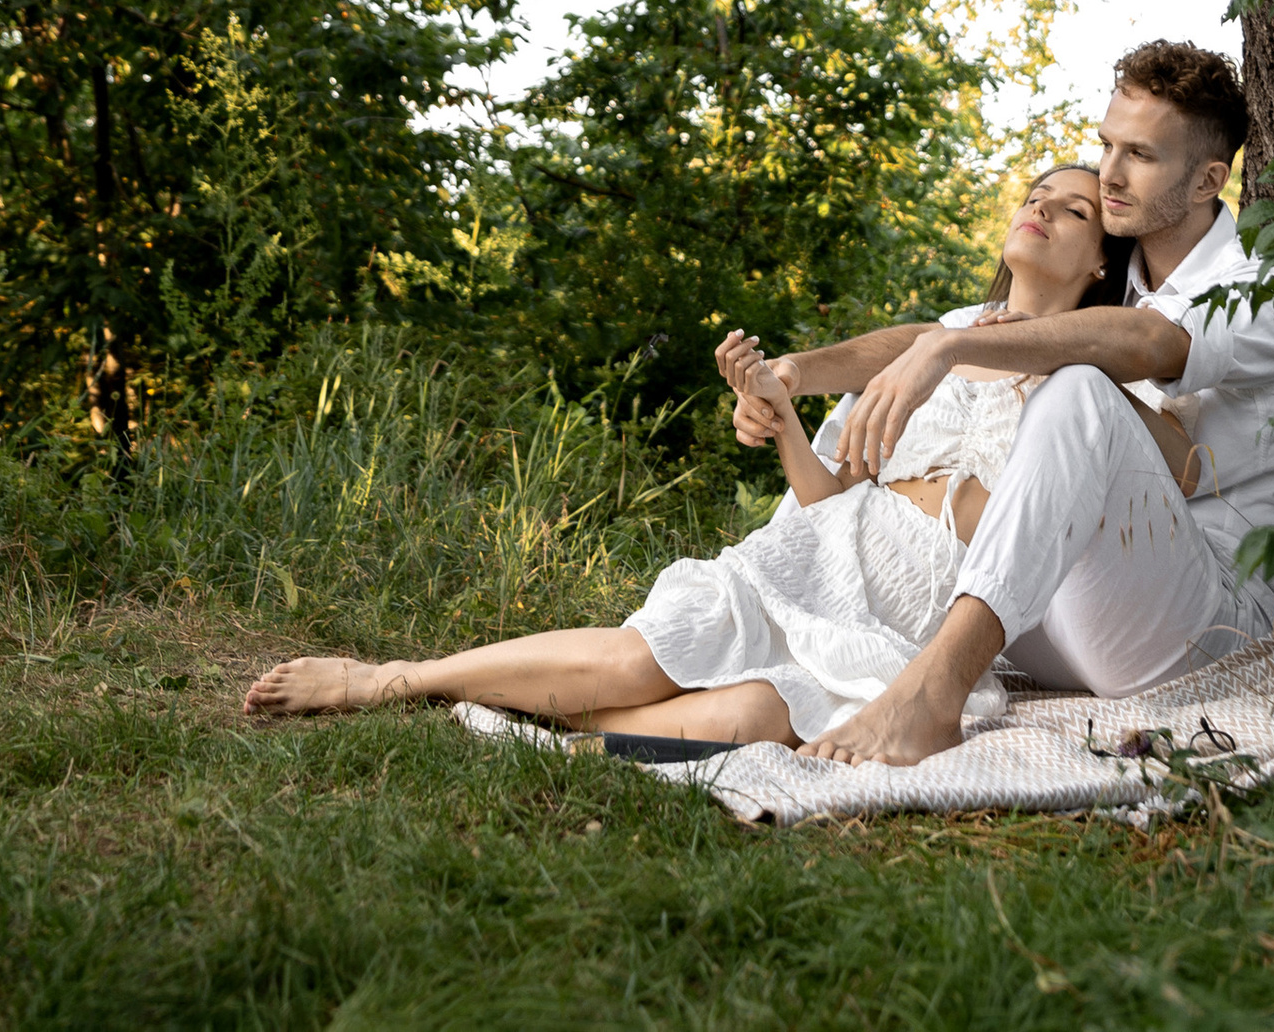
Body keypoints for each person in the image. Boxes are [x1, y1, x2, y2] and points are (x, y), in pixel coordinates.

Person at [239, 163, 1197, 745]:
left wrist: (1086, 361)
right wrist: (784, 418)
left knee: (745, 720)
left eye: (1072, 211)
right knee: (636, 666)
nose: (1040, 208)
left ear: (1101, 265)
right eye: (1036, 195)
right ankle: (394, 679)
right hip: (824, 555)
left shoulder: (1094, 392)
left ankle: (536, 729)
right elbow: (835, 500)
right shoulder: (937, 341)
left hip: (904, 621)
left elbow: (1180, 465)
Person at [731, 39, 1274, 767]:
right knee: (969, 413)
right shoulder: (1112, 269)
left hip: (1196, 625)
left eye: (1140, 155)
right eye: (1107, 145)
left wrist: (948, 351)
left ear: (1207, 181)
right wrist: (797, 372)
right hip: (1054, 608)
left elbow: (1145, 345)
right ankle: (749, 646)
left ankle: (931, 699)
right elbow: (947, 332)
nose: (1108, 174)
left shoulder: (1262, 288)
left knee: (1076, 386)